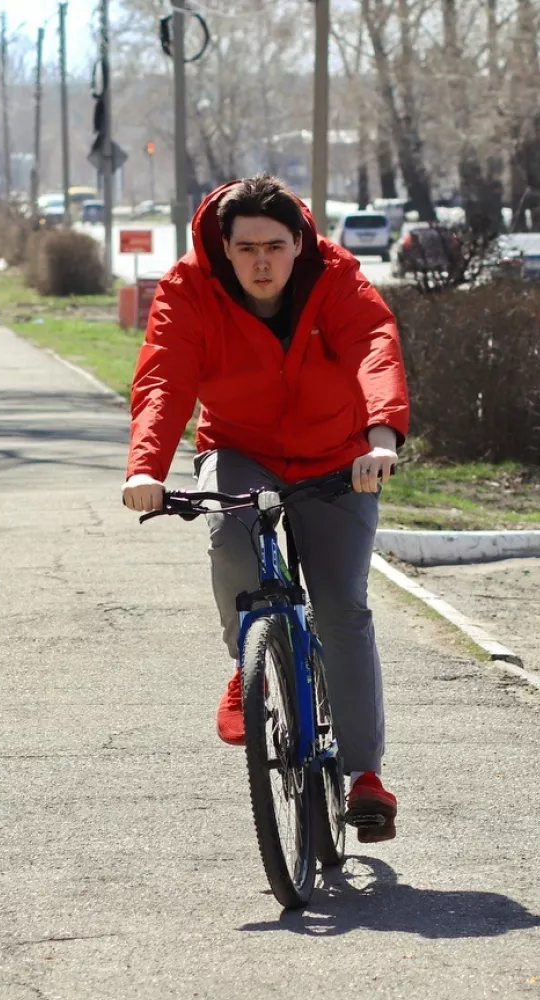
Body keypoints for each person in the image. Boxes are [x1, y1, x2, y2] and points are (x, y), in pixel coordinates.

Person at [120, 175, 410, 842]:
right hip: (240, 446)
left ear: (299, 243)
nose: (260, 262)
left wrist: (381, 438)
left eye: (275, 247)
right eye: (246, 247)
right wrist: (146, 468)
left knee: (342, 606)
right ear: (223, 247)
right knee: (229, 536)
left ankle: (365, 775)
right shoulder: (188, 288)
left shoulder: (336, 276)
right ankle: (247, 660)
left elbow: (374, 345)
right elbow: (164, 376)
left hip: (339, 456)